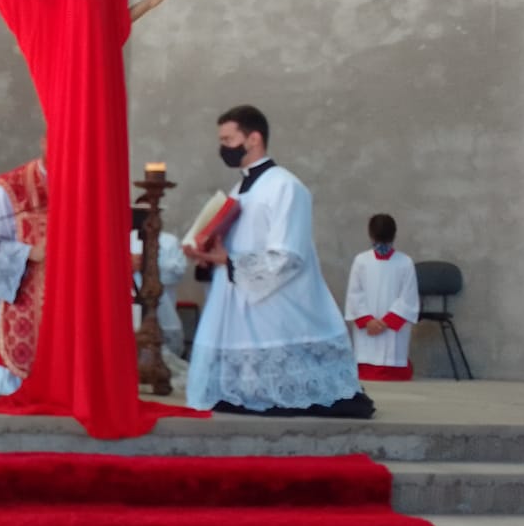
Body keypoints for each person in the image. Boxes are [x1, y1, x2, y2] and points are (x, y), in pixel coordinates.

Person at [183, 106, 373, 418]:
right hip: (240, 294)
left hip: (278, 296)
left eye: (228, 139)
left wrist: (230, 260)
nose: (223, 147)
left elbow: (289, 254)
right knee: (239, 393)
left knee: (293, 389)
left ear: (253, 139)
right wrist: (207, 253)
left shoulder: (285, 186)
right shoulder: (239, 189)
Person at [0, 137, 48, 397]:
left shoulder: (83, 186)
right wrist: (28, 253)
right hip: (23, 296)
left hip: (70, 300)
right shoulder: (12, 188)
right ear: (44, 143)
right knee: (11, 391)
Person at [344, 214, 420, 381]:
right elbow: (408, 298)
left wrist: (376, 322)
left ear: (370, 234)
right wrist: (372, 321)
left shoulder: (402, 262)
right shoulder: (364, 261)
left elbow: (354, 294)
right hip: (373, 328)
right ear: (395, 234)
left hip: (382, 329)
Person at [131, 229, 186, 355]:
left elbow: (178, 273)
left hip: (164, 312)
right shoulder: (123, 239)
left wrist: (148, 263)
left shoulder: (169, 241)